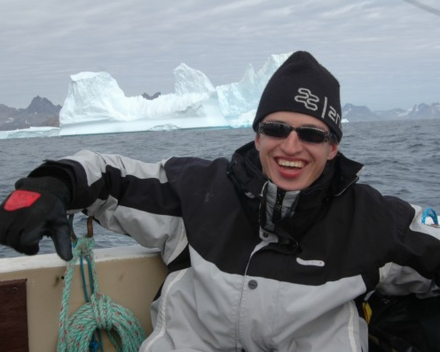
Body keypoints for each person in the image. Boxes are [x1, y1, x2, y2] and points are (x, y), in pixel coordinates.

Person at [1, 51, 439, 352]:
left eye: (311, 134)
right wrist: (53, 183)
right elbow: (110, 175)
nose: (291, 146)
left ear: (333, 147)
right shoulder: (198, 191)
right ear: (256, 133)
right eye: (275, 129)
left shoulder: (373, 221)